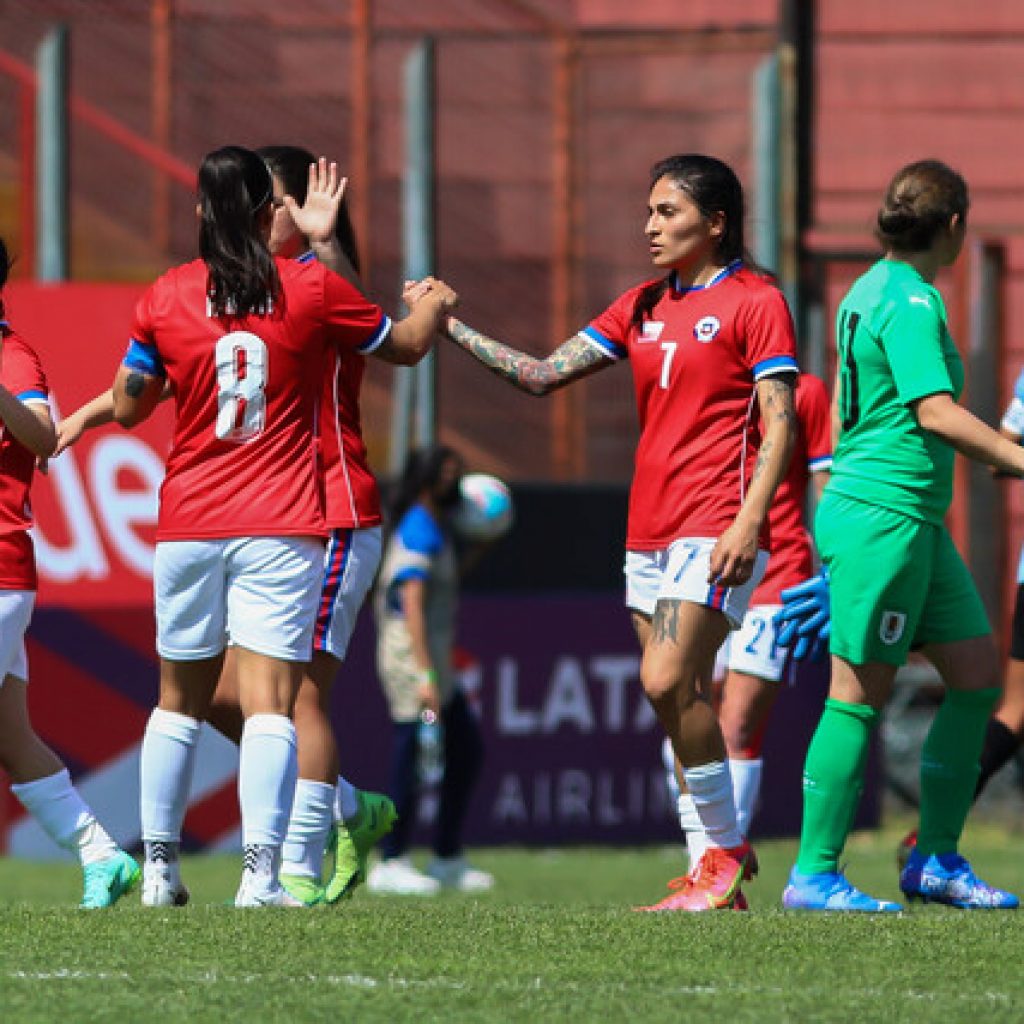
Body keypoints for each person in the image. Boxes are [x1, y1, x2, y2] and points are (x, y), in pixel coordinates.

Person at [407, 154, 799, 911]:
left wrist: (750, 520)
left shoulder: (757, 301)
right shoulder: (640, 305)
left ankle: (723, 849)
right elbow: (540, 374)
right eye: (649, 211)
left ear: (716, 222)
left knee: (664, 680)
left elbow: (779, 424)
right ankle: (711, 874)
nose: (650, 226)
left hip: (713, 521)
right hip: (646, 532)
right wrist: (444, 324)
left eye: (667, 212)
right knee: (674, 701)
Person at [110, 145, 455, 907]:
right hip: (282, 517)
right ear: (268, 211)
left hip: (190, 518)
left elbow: (132, 401)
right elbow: (403, 346)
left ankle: (161, 871)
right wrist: (432, 303)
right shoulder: (309, 290)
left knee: (178, 702)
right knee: (272, 704)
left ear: (201, 211)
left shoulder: (167, 294)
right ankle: (264, 875)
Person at [782, 158, 1023, 912]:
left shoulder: (868, 288)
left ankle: (935, 860)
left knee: (977, 678)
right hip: (883, 517)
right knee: (856, 696)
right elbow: (934, 413)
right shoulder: (913, 299)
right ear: (952, 226)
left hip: (911, 519)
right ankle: (814, 875)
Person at [0, 235, 139, 908]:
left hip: (1, 568)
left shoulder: (13, 355)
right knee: (12, 737)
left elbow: (43, 436)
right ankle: (102, 855)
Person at [659, 372, 831, 897]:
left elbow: (824, 483)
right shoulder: (706, 381)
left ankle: (719, 878)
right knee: (684, 707)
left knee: (736, 726)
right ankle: (705, 862)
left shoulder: (805, 393)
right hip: (704, 565)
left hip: (777, 576)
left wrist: (833, 567)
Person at [368, 446, 492, 895]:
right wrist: (425, 677)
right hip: (412, 662)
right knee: (414, 754)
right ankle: (391, 858)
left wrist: (483, 545)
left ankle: (446, 855)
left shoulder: (435, 527)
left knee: (465, 749)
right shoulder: (419, 528)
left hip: (433, 662)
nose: (454, 483)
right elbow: (412, 606)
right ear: (426, 482)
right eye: (446, 474)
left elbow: (441, 585)